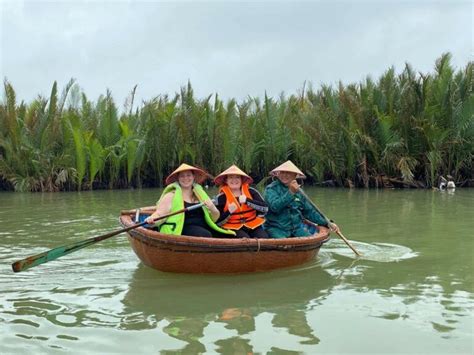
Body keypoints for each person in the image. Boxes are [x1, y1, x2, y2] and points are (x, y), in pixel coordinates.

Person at [145, 163, 235, 238]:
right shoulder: (170, 196)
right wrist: (152, 220)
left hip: (203, 226)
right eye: (182, 176)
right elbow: (160, 214)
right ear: (178, 179)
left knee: (229, 236)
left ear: (193, 177)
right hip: (183, 228)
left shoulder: (200, 194)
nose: (186, 179)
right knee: (205, 235)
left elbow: (215, 218)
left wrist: (212, 207)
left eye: (188, 175)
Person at [264, 160, 339, 238]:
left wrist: (328, 223)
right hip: (276, 228)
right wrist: (290, 193)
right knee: (283, 244)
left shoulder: (299, 192)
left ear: (295, 175)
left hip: (296, 229)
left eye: (288, 173)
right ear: (278, 174)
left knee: (309, 240)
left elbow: (309, 211)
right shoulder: (271, 189)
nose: (284, 175)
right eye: (282, 172)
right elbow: (275, 207)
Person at [214, 165, 269, 238]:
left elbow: (265, 209)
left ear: (241, 180)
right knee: (245, 240)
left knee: (263, 238)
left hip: (253, 225)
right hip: (233, 227)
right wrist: (228, 212)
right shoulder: (221, 198)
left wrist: (247, 201)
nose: (234, 180)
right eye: (231, 177)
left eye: (237, 177)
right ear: (226, 181)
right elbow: (217, 222)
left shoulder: (251, 192)